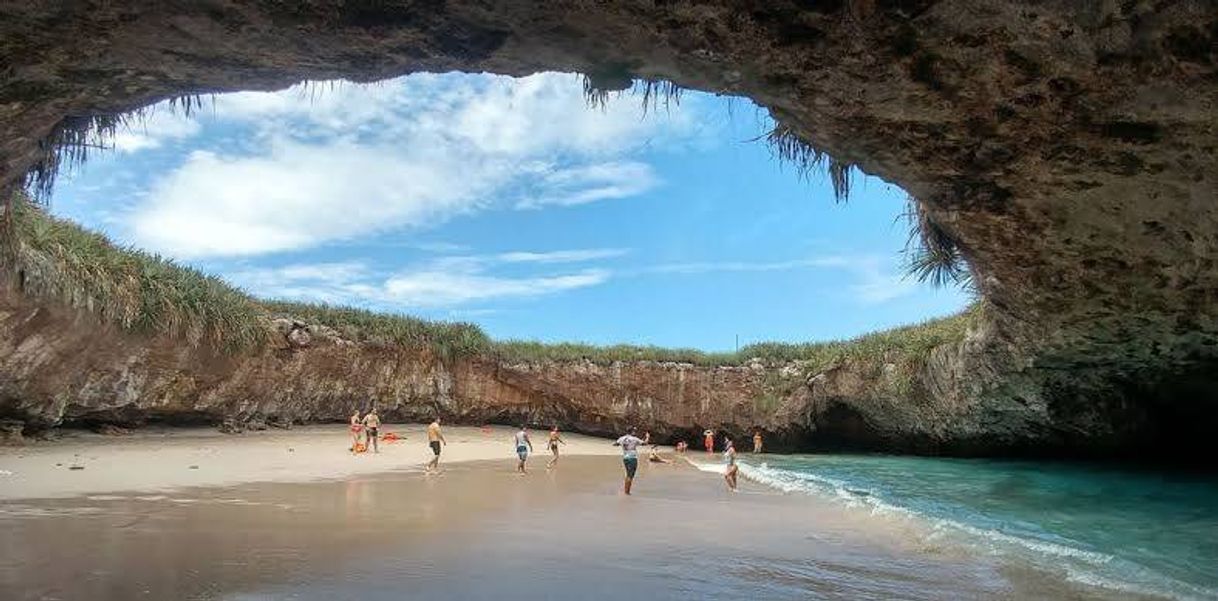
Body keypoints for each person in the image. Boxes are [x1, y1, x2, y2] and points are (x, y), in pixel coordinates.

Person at [613, 427, 650, 495]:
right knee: (630, 476)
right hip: (632, 458)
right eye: (634, 431)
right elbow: (645, 443)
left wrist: (624, 445)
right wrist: (647, 437)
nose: (635, 432)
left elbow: (615, 444)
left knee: (627, 475)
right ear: (632, 431)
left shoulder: (622, 438)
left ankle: (626, 490)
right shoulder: (635, 439)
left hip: (625, 458)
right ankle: (627, 492)